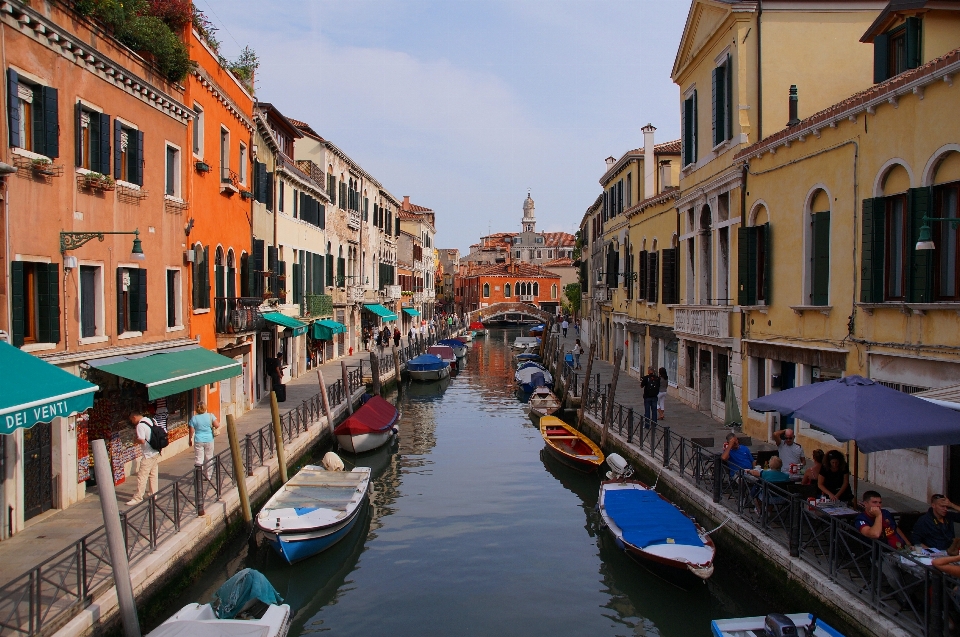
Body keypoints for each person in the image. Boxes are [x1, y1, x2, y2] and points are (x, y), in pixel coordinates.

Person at [126, 409, 161, 505]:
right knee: (153, 474)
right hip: (155, 451)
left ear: (134, 417)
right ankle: (153, 494)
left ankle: (138, 497)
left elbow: (141, 440)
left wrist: (135, 440)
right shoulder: (151, 420)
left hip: (148, 454)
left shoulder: (140, 425)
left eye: (131, 420)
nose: (132, 422)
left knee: (142, 476)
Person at [188, 402, 219, 481]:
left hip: (198, 440)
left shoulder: (194, 418)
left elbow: (191, 431)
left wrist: (190, 440)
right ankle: (208, 476)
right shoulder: (210, 416)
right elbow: (217, 425)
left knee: (199, 458)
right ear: (205, 408)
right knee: (209, 457)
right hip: (209, 439)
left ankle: (198, 476)